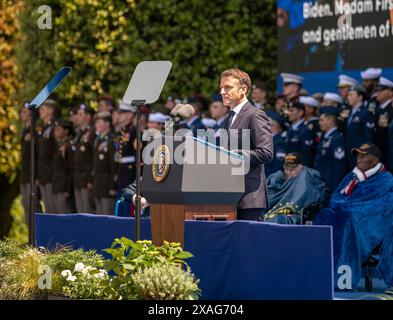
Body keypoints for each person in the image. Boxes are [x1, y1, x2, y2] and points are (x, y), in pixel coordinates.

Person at [314, 143, 393, 290]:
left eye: (363, 156)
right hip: (346, 214)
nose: (358, 159)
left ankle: (342, 277)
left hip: (368, 221)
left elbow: (380, 205)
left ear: (374, 160)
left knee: (348, 220)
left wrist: (347, 208)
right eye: (357, 155)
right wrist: (341, 208)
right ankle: (318, 271)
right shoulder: (352, 176)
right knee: (324, 215)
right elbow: (335, 199)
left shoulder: (385, 179)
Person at [219, 68, 273, 220]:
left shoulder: (255, 114)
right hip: (229, 197)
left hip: (249, 199)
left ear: (243, 89)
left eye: (227, 87)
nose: (222, 92)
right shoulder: (228, 118)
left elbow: (266, 152)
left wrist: (231, 153)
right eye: (221, 88)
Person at [265, 153, 326, 224]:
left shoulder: (307, 178)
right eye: (286, 169)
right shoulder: (276, 179)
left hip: (292, 218)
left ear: (301, 168)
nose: (288, 172)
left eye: (292, 170)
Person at [89, 111, 117, 215]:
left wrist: (113, 185)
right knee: (98, 214)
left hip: (107, 184)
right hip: (98, 184)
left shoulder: (112, 140)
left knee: (106, 213)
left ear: (107, 124)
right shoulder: (98, 140)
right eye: (96, 123)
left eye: (99, 122)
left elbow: (114, 165)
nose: (96, 125)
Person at [315, 107, 346, 194]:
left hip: (330, 185)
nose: (319, 123)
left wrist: (334, 188)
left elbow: (338, 166)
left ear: (330, 121)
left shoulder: (336, 139)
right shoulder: (327, 137)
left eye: (322, 120)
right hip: (323, 183)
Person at [345, 84, 375, 169]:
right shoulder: (350, 112)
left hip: (360, 155)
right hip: (350, 154)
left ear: (360, 97)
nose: (348, 97)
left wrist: (365, 154)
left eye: (351, 95)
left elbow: (369, 137)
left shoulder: (365, 113)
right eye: (348, 95)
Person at [73, 104, 96, 213]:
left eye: (80, 114)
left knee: (87, 211)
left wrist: (90, 178)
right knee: (80, 211)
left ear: (88, 117)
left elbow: (93, 156)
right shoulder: (79, 133)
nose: (77, 117)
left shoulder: (92, 132)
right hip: (78, 178)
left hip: (86, 177)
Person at [37, 99, 57, 213]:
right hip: (43, 174)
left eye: (43, 109)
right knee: (47, 207)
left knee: (52, 208)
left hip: (50, 173)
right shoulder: (43, 128)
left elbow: (55, 151)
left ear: (51, 110)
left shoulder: (54, 127)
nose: (40, 111)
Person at [53, 119, 75, 213]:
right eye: (55, 130)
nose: (55, 132)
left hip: (64, 186)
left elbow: (71, 168)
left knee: (64, 214)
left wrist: (68, 189)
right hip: (58, 185)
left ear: (66, 131)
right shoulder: (59, 145)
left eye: (58, 130)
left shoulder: (69, 145)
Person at [286, 101, 315, 167]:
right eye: (288, 110)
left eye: (291, 111)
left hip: (299, 170)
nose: (288, 113)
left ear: (300, 113)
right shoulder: (290, 129)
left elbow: (306, 155)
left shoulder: (305, 130)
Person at [374, 77, 393, 166]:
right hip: (379, 153)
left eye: (381, 90)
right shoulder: (378, 108)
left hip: (387, 153)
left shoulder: (390, 109)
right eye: (377, 90)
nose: (378, 93)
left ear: (390, 92)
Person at [265, 112, 288, 178]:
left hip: (269, 179)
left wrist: (270, 180)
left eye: (269, 125)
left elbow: (278, 165)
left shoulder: (279, 142)